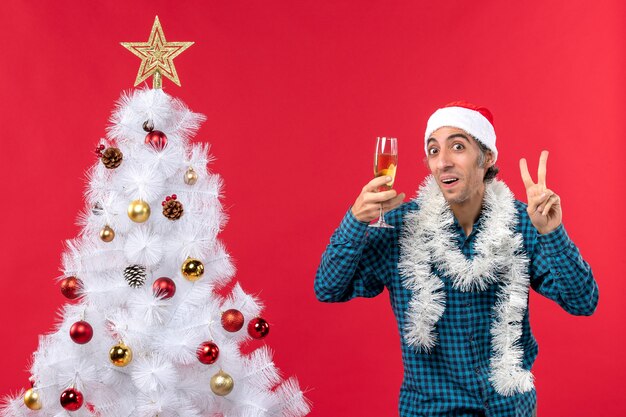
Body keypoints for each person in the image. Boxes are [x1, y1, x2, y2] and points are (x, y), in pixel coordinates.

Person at [314, 101, 599, 417]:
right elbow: (328, 289)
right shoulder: (402, 228)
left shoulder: (523, 222)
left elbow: (583, 302)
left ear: (487, 157)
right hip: (431, 410)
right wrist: (355, 222)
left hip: (510, 409)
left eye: (458, 147)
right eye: (434, 151)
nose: (443, 162)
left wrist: (552, 232)